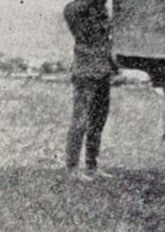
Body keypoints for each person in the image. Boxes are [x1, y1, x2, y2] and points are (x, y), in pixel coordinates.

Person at [63, 0, 115, 180]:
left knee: (98, 121)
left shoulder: (100, 9)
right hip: (85, 73)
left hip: (102, 71)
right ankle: (72, 168)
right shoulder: (74, 9)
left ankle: (92, 166)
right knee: (81, 121)